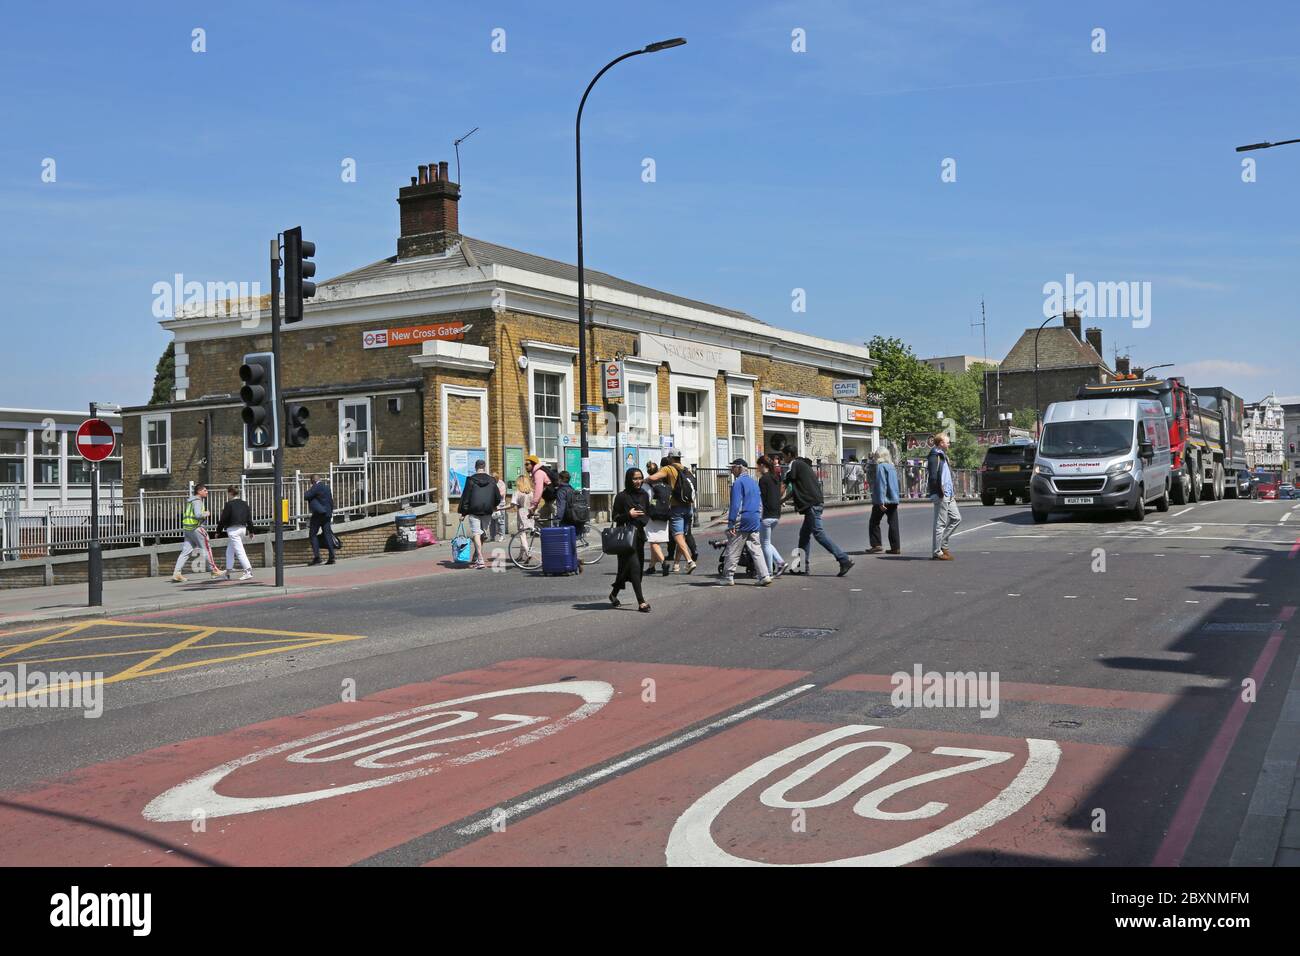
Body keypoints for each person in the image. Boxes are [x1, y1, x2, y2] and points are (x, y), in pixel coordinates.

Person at [783, 456, 854, 576]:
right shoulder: (807, 477)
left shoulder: (798, 469)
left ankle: (843, 559)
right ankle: (801, 566)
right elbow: (794, 492)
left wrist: (777, 501)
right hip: (814, 506)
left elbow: (787, 485)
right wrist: (780, 502)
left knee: (818, 534)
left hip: (811, 507)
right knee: (804, 534)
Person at [722, 458, 772, 586]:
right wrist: (758, 517)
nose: (731, 470)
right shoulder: (754, 482)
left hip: (743, 518)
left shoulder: (738, 483)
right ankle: (764, 575)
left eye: (733, 467)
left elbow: (735, 504)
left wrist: (731, 523)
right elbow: (760, 503)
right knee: (756, 548)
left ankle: (728, 576)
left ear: (739, 468)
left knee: (734, 547)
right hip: (755, 517)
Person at [647, 453, 697, 574]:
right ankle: (676, 564)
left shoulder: (668, 468)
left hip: (676, 507)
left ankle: (690, 561)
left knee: (677, 535)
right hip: (688, 507)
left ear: (670, 458)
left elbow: (653, 478)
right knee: (682, 537)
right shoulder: (685, 469)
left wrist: (643, 480)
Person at [610, 467, 651, 612]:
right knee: (634, 567)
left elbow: (647, 514)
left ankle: (613, 594)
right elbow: (615, 517)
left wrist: (642, 517)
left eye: (640, 478)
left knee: (628, 571)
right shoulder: (621, 496)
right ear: (629, 479)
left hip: (639, 536)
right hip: (625, 539)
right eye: (635, 478)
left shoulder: (644, 495)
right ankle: (641, 602)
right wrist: (628, 515)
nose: (638, 481)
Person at [457, 459, 501, 569]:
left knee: (476, 533)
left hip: (474, 510)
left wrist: (463, 512)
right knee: (482, 533)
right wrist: (494, 505)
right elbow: (497, 496)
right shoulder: (491, 480)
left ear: (475, 467)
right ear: (484, 467)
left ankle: (480, 558)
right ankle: (478, 555)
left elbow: (466, 497)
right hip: (487, 510)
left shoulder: (471, 480)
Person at [172, 483, 221, 582]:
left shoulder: (190, 501)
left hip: (188, 529)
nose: (207, 492)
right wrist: (206, 513)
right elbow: (198, 515)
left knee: (185, 552)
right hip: (197, 528)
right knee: (206, 549)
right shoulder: (198, 501)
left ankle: (177, 573)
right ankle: (214, 570)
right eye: (205, 490)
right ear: (199, 491)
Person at [928, 433, 962, 560]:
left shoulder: (943, 456)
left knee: (956, 518)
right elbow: (933, 477)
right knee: (940, 524)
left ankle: (943, 543)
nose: (949, 444)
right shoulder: (934, 457)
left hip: (949, 494)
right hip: (942, 494)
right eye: (947, 442)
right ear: (941, 443)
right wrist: (938, 493)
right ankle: (937, 552)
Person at [215, 484, 256, 580]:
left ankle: (248, 571)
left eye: (228, 493)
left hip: (233, 530)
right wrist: (251, 531)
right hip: (242, 529)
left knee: (239, 551)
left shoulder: (229, 504)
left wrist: (218, 531)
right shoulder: (244, 503)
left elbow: (223, 519)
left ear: (230, 493)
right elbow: (249, 518)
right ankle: (228, 572)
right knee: (230, 551)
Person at [868, 448, 902, 555]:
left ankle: (876, 544)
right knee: (893, 523)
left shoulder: (881, 467)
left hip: (884, 499)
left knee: (874, 522)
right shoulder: (892, 467)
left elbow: (882, 484)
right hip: (893, 498)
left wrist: (881, 501)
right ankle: (895, 547)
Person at [757, 455, 786, 575]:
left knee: (764, 543)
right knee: (767, 542)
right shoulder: (775, 477)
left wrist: (758, 513)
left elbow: (761, 499)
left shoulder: (763, 479)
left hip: (767, 514)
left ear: (763, 465)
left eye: (758, 466)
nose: (758, 469)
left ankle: (768, 571)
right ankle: (780, 562)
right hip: (776, 514)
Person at [642, 467, 672, 572]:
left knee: (653, 541)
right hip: (664, 515)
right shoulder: (664, 485)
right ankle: (651, 566)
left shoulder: (646, 485)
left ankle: (664, 563)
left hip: (652, 516)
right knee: (655, 542)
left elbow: (647, 500)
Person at [304, 474, 337, 566]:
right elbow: (330, 501)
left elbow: (306, 495)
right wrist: (330, 512)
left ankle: (317, 558)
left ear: (313, 481)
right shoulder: (326, 487)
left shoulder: (316, 486)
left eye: (311, 482)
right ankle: (332, 557)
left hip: (318, 515)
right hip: (327, 514)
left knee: (312, 534)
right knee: (327, 535)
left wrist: (311, 496)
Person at [553, 470, 586, 541]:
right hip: (575, 519)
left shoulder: (561, 491)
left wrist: (557, 519)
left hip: (566, 521)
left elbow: (561, 507)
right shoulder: (572, 489)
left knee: (564, 543)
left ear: (560, 479)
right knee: (571, 543)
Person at [525, 454, 554, 521]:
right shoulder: (535, 473)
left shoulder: (538, 473)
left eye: (527, 464)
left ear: (533, 464)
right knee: (540, 520)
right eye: (525, 465)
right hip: (548, 501)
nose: (526, 466)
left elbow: (538, 491)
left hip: (554, 501)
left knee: (559, 522)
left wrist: (533, 506)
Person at [489, 474, 510, 542]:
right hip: (492, 504)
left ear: (496, 478)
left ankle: (502, 536)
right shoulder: (490, 483)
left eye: (493, 479)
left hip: (500, 504)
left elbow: (501, 494)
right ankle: (492, 536)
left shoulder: (501, 483)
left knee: (501, 521)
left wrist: (493, 494)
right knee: (492, 521)